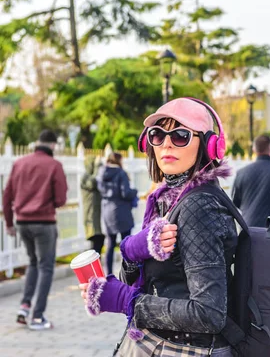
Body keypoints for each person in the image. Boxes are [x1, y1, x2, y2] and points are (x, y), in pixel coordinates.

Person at [80, 97, 236, 356]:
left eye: (180, 135)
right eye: (157, 134)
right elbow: (155, 280)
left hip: (185, 348)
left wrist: (126, 301)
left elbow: (209, 313)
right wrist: (131, 252)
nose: (166, 144)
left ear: (209, 146)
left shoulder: (198, 205)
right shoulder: (169, 199)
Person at [3, 129, 68, 330]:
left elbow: (7, 196)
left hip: (22, 222)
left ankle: (24, 306)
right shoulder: (54, 165)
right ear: (53, 145)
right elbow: (60, 199)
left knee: (32, 262)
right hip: (44, 223)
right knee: (46, 267)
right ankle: (38, 317)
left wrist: (9, 223)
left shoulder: (19, 163)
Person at [97, 152, 138, 275]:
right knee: (126, 243)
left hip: (107, 211)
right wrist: (134, 192)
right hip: (121, 211)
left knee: (110, 244)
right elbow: (125, 193)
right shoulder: (121, 173)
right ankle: (127, 272)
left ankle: (109, 274)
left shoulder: (101, 174)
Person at [81, 156, 105, 254]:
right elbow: (92, 183)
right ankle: (93, 267)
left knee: (99, 242)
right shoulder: (85, 177)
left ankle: (97, 266)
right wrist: (96, 169)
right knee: (95, 242)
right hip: (91, 215)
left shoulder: (96, 177)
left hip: (98, 215)